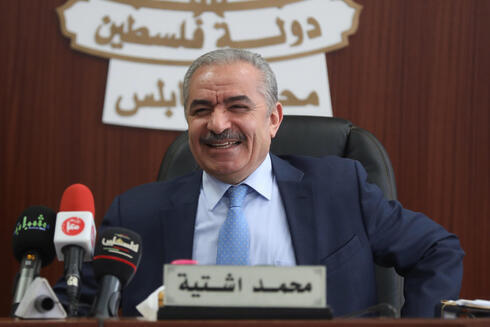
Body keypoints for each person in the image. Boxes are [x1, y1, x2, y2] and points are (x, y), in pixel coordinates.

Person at [55, 48, 464, 318]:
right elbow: (74, 303)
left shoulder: (340, 188)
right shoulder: (137, 213)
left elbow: (437, 250)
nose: (217, 124)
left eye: (237, 107)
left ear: (273, 119)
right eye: (201, 110)